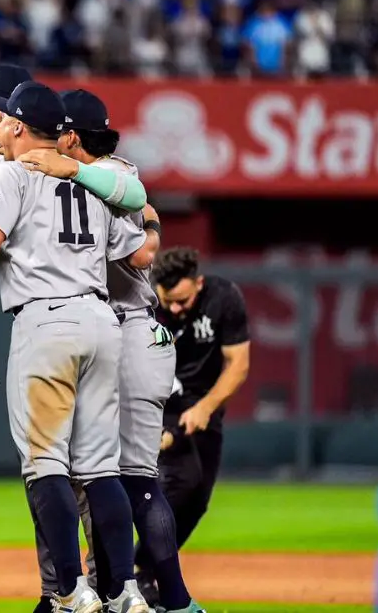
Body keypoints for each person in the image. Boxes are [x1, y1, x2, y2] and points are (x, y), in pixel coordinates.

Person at [0, 80, 155, 613]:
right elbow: (136, 255)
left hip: (47, 318)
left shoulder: (11, 174)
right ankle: (122, 592)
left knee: (45, 464)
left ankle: (69, 590)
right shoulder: (91, 178)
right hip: (100, 315)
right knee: (99, 467)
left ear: (17, 125)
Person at [18, 89, 201, 613]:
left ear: (70, 136)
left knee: (116, 476)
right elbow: (147, 229)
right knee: (109, 476)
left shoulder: (104, 175)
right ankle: (108, 591)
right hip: (124, 332)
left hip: (121, 328)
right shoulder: (105, 178)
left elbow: (144, 248)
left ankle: (136, 594)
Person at [146, 247, 250, 596]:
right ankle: (137, 571)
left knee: (199, 497)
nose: (175, 309)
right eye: (169, 301)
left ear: (199, 283)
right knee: (183, 480)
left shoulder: (223, 297)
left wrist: (207, 406)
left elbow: (238, 364)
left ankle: (141, 567)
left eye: (183, 300)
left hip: (206, 402)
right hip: (158, 396)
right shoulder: (143, 298)